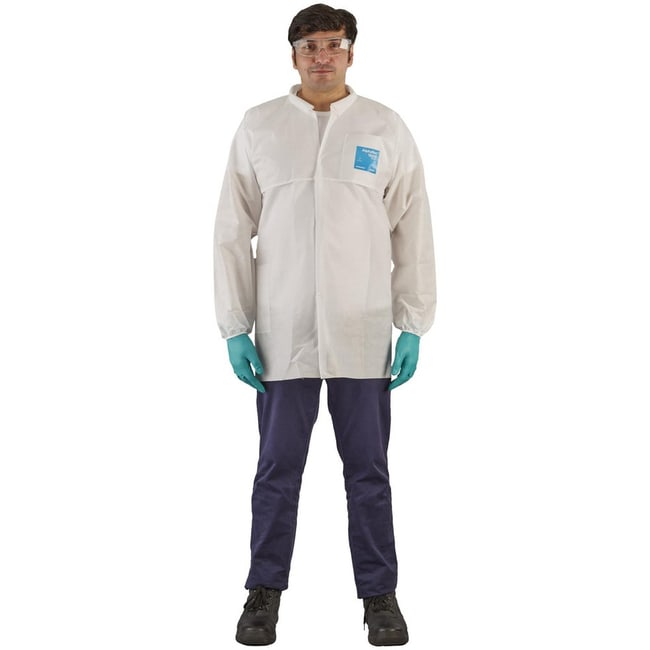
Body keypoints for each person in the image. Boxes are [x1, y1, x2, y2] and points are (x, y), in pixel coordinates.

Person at [213, 4, 436, 646]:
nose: (322, 55)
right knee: (276, 471)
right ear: (292, 54)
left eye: (333, 43)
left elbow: (412, 226)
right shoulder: (259, 127)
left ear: (351, 52)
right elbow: (231, 230)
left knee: (368, 471)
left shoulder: (383, 127)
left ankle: (380, 596)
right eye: (309, 45)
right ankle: (263, 594)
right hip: (282, 336)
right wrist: (234, 325)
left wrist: (413, 321)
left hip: (362, 332)